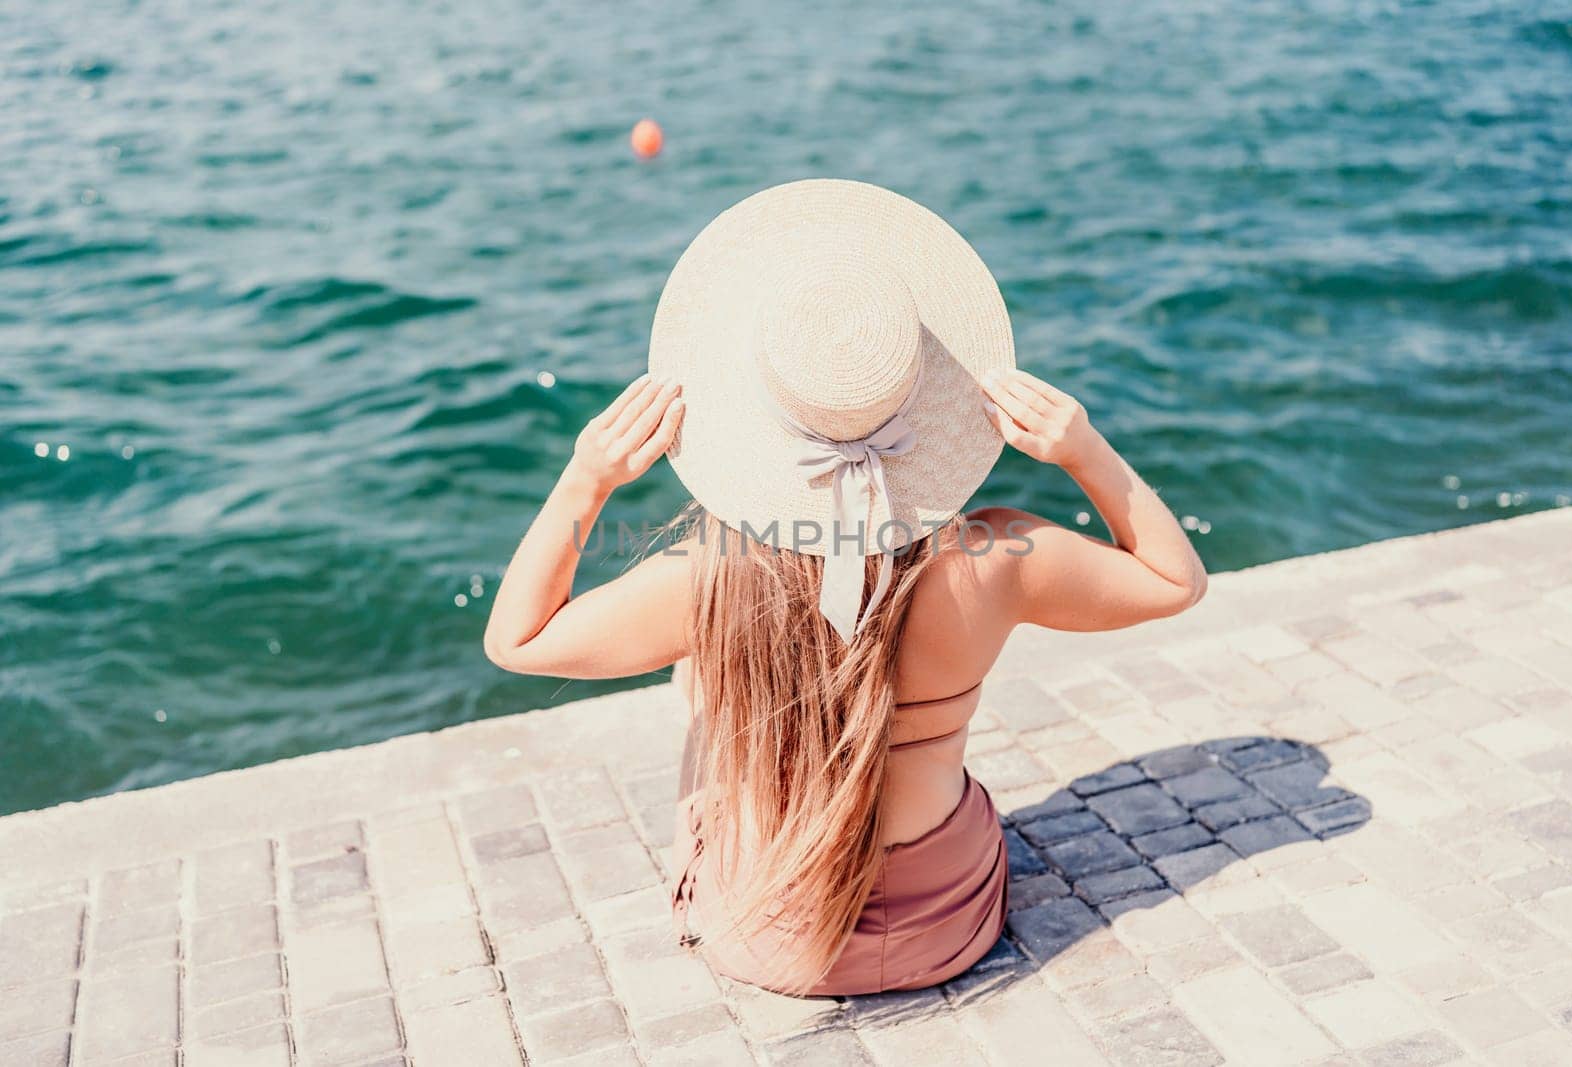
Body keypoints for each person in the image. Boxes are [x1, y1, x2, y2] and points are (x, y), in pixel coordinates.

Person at [484, 179, 1207, 996]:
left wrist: (588, 478)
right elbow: (1176, 580)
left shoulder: (710, 575)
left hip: (768, 937)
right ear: (919, 395)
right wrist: (1082, 448)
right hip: (950, 924)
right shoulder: (997, 554)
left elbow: (516, 640)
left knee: (700, 673)